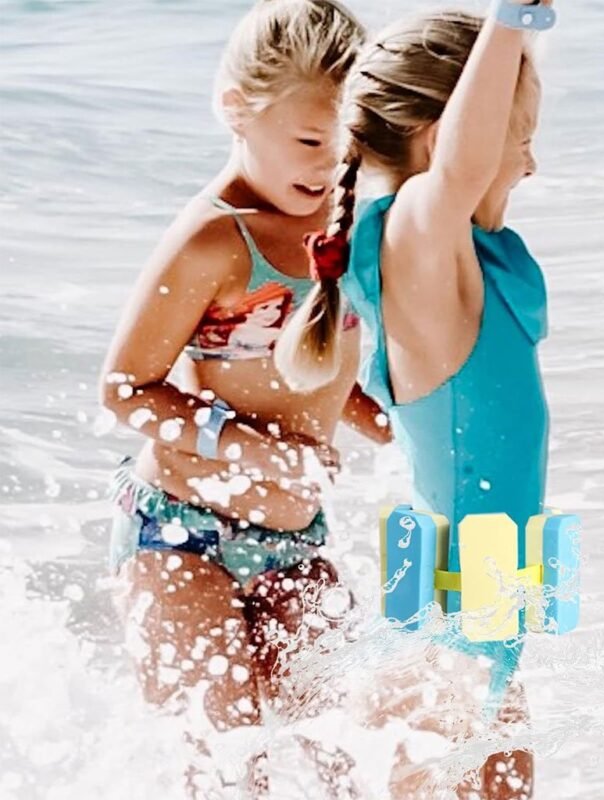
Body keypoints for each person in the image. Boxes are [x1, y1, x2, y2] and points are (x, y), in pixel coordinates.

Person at [99, 0, 389, 795]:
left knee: (345, 765)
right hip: (179, 536)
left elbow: (316, 367)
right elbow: (125, 389)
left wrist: (396, 424)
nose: (330, 165)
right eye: (310, 141)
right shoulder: (215, 240)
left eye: (349, 144)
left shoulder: (347, 221)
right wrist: (254, 450)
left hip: (296, 540)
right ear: (236, 109)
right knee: (230, 776)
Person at [276, 2, 556, 797]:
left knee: (507, 781)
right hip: (451, 621)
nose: (530, 165)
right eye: (520, 138)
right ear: (447, 139)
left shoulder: (456, 260)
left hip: (475, 604)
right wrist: (514, 19)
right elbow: (459, 170)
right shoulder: (416, 243)